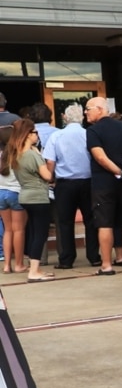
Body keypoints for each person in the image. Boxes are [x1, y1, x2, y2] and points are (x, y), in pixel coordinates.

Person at [85, 96, 122, 275]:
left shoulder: (93, 131)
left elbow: (100, 157)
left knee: (105, 223)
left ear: (100, 109)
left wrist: (119, 173)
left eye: (88, 108)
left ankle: (107, 265)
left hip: (104, 183)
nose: (85, 112)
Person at [44, 104, 95, 269]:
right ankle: (94, 256)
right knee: (91, 220)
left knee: (65, 222)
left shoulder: (56, 136)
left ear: (65, 118)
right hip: (88, 182)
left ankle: (66, 259)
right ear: (81, 117)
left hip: (65, 183)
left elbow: (50, 161)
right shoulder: (88, 134)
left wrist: (50, 178)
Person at [8, 119, 55, 282]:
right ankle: (34, 271)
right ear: (27, 135)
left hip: (25, 196)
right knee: (40, 234)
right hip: (38, 197)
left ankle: (36, 268)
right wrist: (42, 158)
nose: (37, 135)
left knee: (34, 231)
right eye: (34, 132)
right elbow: (47, 176)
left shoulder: (16, 155)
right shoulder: (32, 155)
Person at [0, 125, 23, 272]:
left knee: (7, 230)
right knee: (18, 230)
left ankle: (7, 265)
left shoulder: (1, 155)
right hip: (16, 193)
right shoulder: (19, 155)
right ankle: (19, 264)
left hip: (1, 193)